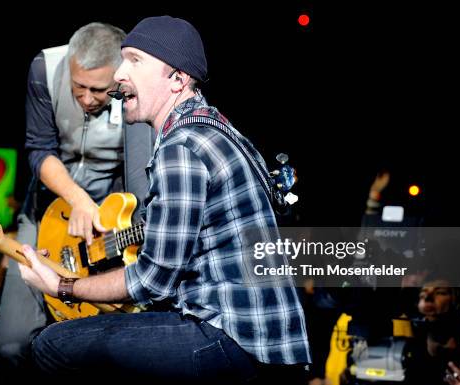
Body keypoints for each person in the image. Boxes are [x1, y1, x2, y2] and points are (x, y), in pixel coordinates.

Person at [18, 16, 311, 383]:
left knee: (52, 346)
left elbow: (152, 280)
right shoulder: (214, 128)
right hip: (262, 341)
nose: (120, 74)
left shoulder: (182, 146)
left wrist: (62, 285)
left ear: (177, 79)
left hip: (232, 337)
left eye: (136, 61)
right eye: (122, 60)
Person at [0, 22, 153, 382]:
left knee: (98, 349)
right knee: (12, 343)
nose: (86, 98)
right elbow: (38, 149)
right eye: (78, 86)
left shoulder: (138, 84)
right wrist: (77, 199)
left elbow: (140, 177)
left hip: (108, 221)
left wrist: (121, 232)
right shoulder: (44, 67)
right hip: (45, 208)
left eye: (98, 90)